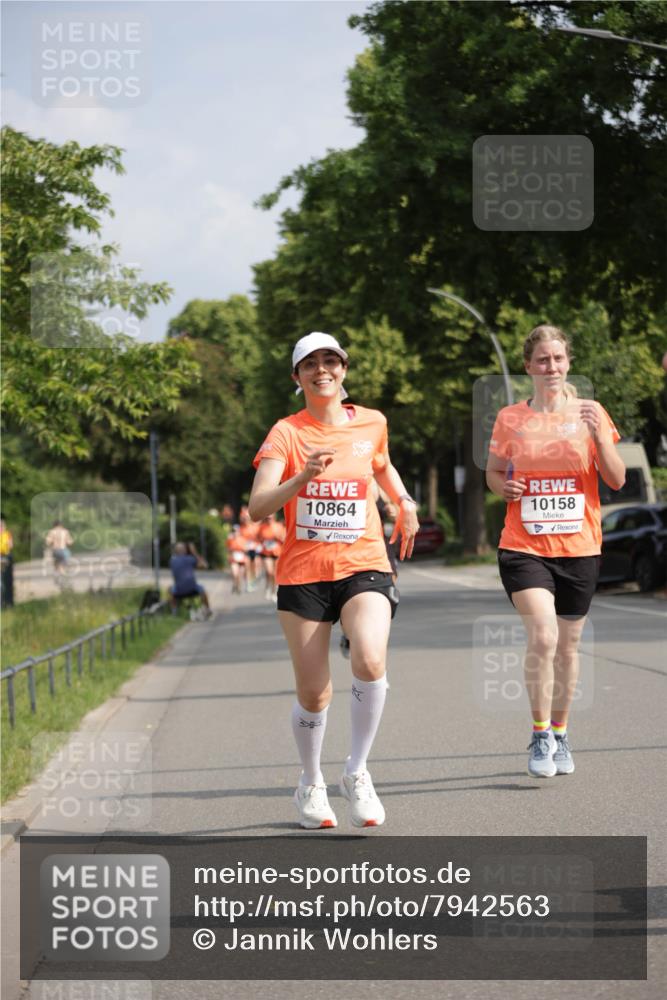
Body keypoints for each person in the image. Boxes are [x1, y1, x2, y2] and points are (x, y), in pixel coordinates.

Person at [249, 331, 419, 829]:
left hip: (364, 562)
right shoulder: (286, 433)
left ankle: (357, 772)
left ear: (343, 369)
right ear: (297, 376)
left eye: (331, 361)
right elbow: (258, 506)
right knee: (314, 695)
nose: (322, 370)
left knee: (369, 658)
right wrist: (302, 476)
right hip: (304, 573)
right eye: (310, 364)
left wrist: (404, 502)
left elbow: (382, 466)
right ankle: (310, 782)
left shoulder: (372, 422)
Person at [486, 324, 625, 778]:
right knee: (544, 636)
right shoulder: (510, 418)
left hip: (579, 545)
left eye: (558, 358)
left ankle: (561, 734)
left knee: (569, 646)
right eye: (543, 359)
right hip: (524, 545)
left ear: (568, 363)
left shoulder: (591, 412)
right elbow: (493, 472)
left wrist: (599, 437)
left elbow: (617, 478)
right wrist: (503, 487)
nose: (551, 367)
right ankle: (540, 733)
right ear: (528, 366)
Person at [168, 541, 212, 617]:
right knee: (203, 591)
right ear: (185, 550)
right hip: (192, 588)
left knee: (170, 590)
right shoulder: (190, 559)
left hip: (178, 590)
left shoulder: (172, 561)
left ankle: (174, 612)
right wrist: (194, 552)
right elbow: (205, 565)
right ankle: (207, 610)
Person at [258, 513, 285, 601]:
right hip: (266, 552)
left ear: (274, 517)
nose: (269, 519)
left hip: (277, 552)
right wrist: (263, 541)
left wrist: (278, 538)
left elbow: (284, 538)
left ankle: (273, 591)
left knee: (274, 573)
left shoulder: (278, 526)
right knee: (269, 572)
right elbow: (258, 538)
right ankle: (268, 588)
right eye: (267, 518)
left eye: (270, 518)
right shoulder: (262, 527)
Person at [44, 520, 74, 585]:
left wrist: (50, 544)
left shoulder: (51, 532)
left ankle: (57, 575)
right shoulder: (65, 531)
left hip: (55, 550)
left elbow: (48, 542)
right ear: (61, 525)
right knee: (63, 565)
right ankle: (63, 577)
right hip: (64, 550)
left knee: (56, 564)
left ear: (54, 525)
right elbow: (70, 542)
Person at [239, 506, 261, 592]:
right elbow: (240, 539)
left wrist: (257, 544)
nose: (245, 519)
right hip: (246, 550)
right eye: (244, 518)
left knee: (255, 566)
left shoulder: (255, 527)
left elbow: (259, 538)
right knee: (247, 566)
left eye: (246, 517)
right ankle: (249, 584)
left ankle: (253, 580)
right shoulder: (241, 528)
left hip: (254, 549)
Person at [226, 525, 248, 595]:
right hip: (233, 559)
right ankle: (234, 584)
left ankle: (238, 587)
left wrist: (241, 548)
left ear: (239, 532)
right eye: (233, 531)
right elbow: (227, 549)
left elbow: (246, 549)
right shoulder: (230, 539)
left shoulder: (243, 539)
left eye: (236, 531)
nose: (235, 532)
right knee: (235, 573)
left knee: (240, 575)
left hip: (241, 559)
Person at [0, 514, 14, 608]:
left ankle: (7, 602)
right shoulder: (7, 534)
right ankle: (6, 602)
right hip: (5, 556)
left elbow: (10, 545)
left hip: (5, 556)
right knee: (5, 581)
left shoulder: (7, 534)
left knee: (6, 580)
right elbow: (11, 545)